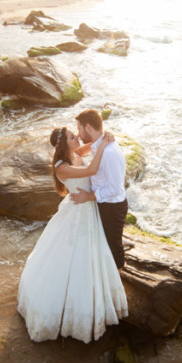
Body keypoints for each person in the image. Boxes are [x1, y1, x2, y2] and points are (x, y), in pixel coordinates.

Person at [17, 126, 128, 343]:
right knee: (73, 255)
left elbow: (93, 144)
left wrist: (106, 138)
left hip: (89, 209)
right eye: (71, 136)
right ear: (64, 144)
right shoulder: (62, 168)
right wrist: (104, 145)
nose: (76, 137)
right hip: (79, 210)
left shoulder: (76, 153)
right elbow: (91, 171)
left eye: (75, 133)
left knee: (95, 251)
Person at [72, 109, 128, 269]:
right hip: (104, 204)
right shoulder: (98, 146)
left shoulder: (109, 152)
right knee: (106, 243)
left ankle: (117, 285)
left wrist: (88, 197)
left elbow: (114, 189)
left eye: (79, 129)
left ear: (88, 127)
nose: (78, 134)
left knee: (113, 247)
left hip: (112, 206)